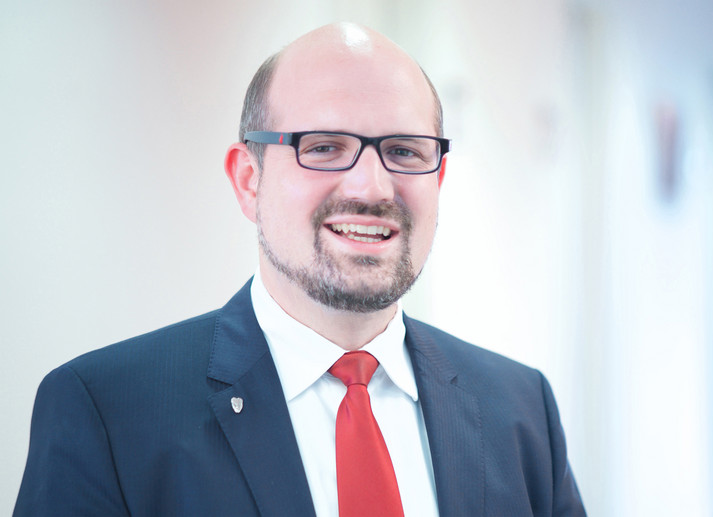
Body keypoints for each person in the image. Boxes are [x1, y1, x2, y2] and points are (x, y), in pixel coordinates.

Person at [14, 22, 586, 517]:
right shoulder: (108, 412)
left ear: (438, 180)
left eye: (404, 151)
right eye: (323, 147)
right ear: (249, 180)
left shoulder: (521, 408)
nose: (371, 187)